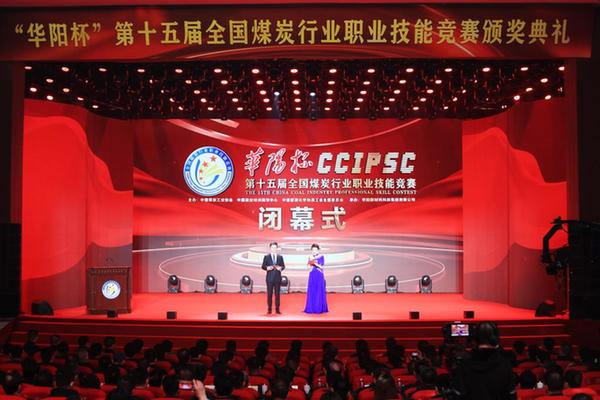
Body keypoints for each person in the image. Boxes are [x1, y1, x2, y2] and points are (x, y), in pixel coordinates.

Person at [261, 241, 285, 314]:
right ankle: (269, 309)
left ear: (277, 248)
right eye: (272, 247)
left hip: (277, 278)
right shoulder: (266, 257)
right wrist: (267, 268)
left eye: (275, 247)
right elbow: (263, 266)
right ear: (270, 248)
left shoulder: (280, 257)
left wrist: (280, 268)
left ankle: (277, 309)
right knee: (269, 294)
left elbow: (283, 266)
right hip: (269, 278)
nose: (274, 249)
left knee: (277, 294)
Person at [304, 243, 328, 314]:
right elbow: (308, 267)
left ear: (318, 250)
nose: (314, 251)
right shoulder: (310, 257)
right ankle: (311, 308)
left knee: (319, 290)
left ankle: (319, 308)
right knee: (312, 290)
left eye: (316, 250)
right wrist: (310, 264)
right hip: (312, 275)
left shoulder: (321, 257)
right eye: (313, 250)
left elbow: (321, 267)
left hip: (319, 275)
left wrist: (314, 263)